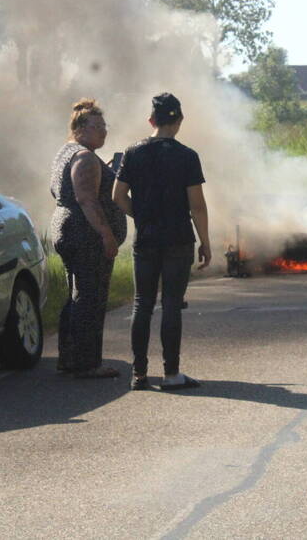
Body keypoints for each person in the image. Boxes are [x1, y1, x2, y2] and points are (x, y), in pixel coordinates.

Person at [113, 93, 211, 391]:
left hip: (146, 238)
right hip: (178, 239)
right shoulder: (187, 156)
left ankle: (139, 374)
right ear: (178, 121)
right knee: (170, 303)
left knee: (142, 303)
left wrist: (140, 216)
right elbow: (197, 206)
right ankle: (171, 374)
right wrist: (205, 242)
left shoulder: (133, 153)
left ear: (151, 120)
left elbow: (117, 196)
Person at [49, 98, 127, 378]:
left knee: (77, 295)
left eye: (105, 126)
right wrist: (106, 235)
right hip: (85, 234)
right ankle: (87, 363)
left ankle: (69, 358)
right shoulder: (83, 157)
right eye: (98, 126)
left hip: (67, 228)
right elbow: (86, 199)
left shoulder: (66, 152)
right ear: (80, 128)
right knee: (90, 298)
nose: (104, 131)